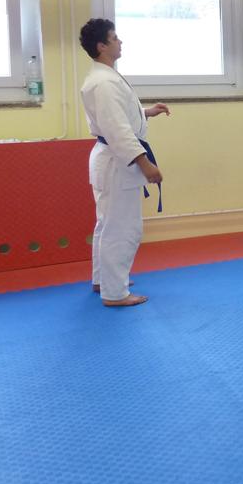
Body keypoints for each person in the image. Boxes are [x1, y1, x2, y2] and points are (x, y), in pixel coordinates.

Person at [79, 18, 169, 307]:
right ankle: (115, 293)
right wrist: (145, 164)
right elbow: (117, 130)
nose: (120, 42)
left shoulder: (103, 78)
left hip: (111, 159)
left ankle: (103, 280)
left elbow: (118, 116)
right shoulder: (104, 83)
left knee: (107, 224)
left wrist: (146, 112)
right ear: (101, 46)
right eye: (115, 38)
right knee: (122, 228)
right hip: (118, 162)